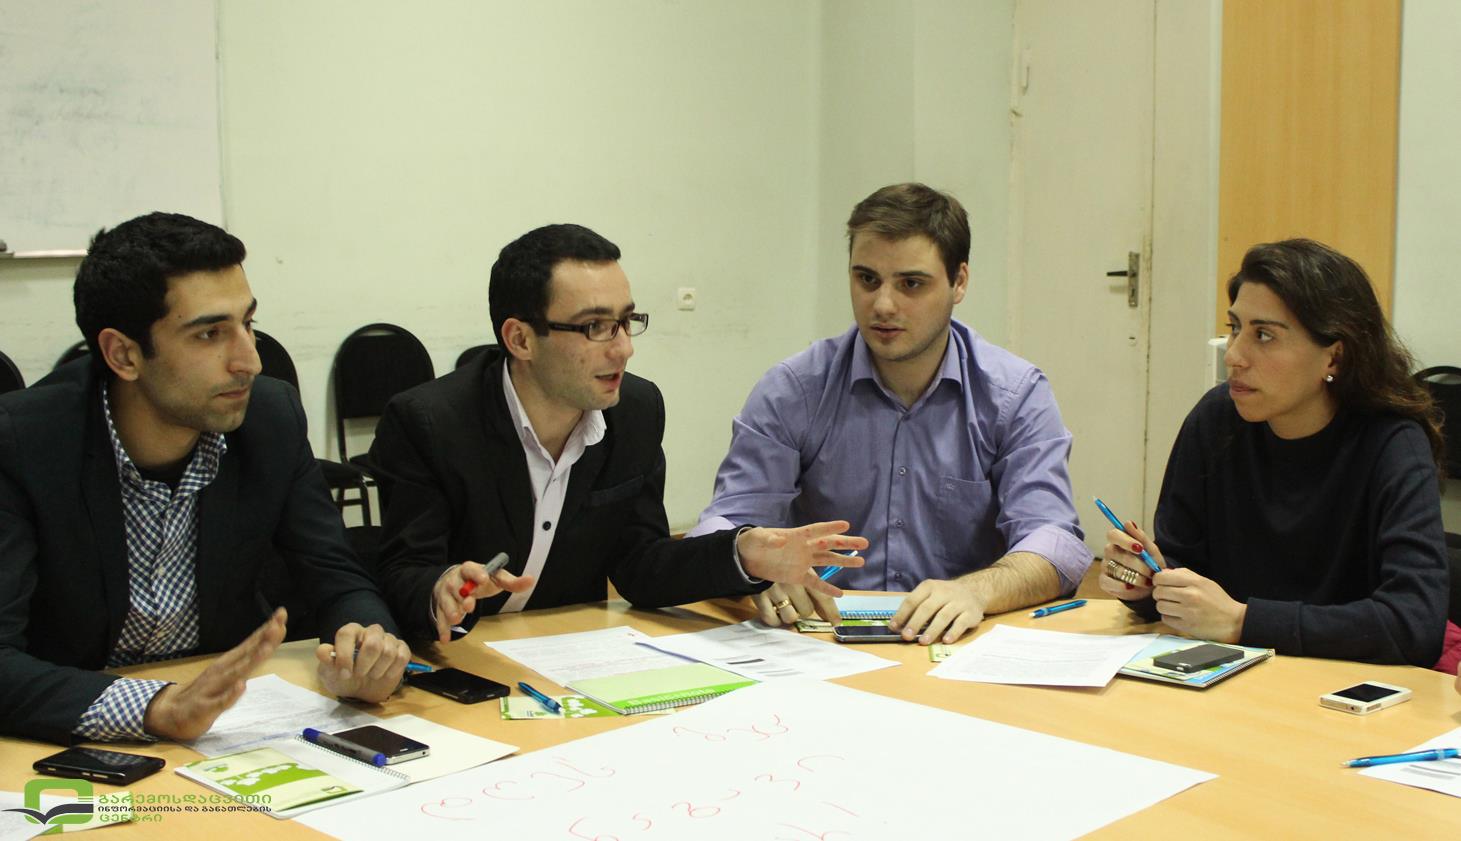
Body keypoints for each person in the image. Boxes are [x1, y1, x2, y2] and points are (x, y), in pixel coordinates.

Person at [0, 212, 410, 745]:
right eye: (210, 334)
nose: (250, 361)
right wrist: (157, 707)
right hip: (69, 737)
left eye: (248, 323)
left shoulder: (270, 418)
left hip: (233, 728)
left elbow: (338, 577)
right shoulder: (23, 444)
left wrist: (369, 646)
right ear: (123, 354)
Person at [370, 224, 865, 641]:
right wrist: (441, 588)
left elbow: (640, 565)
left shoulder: (636, 410)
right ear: (520, 339)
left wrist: (742, 553)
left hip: (570, 652)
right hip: (459, 656)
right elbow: (400, 572)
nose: (624, 348)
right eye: (595, 327)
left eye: (627, 321)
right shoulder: (431, 423)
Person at [689, 183, 1088, 645]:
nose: (882, 305)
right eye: (867, 279)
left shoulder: (1015, 395)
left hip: (958, 638)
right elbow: (722, 526)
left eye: (911, 284)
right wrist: (752, 564)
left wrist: (976, 591)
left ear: (959, 281)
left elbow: (1055, 542)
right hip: (820, 637)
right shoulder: (795, 389)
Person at [1100, 239, 1448, 666]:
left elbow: (1415, 624)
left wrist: (1243, 621)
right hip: (1226, 674)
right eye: (1235, 328)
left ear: (1334, 357)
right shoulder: (1215, 418)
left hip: (1339, 687)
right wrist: (1147, 582)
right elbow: (1183, 564)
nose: (1234, 355)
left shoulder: (1393, 442)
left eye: (1264, 335)